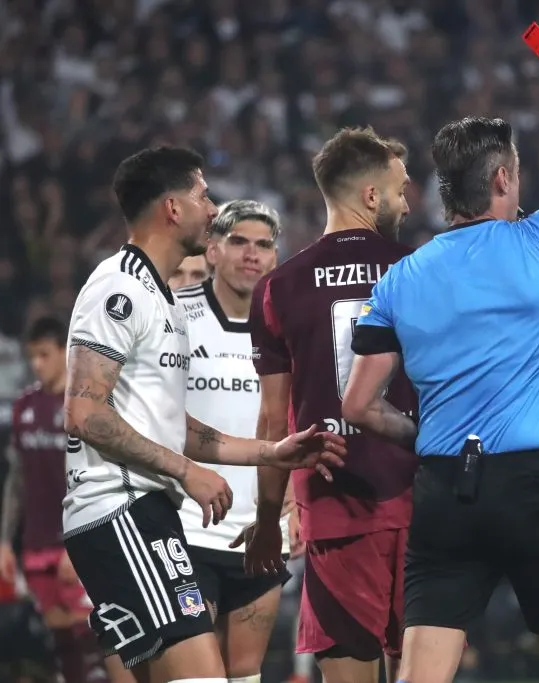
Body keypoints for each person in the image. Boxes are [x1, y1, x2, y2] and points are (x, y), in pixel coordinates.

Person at [342, 39, 539, 683]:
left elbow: (356, 406)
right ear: (504, 179)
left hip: (446, 489)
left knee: (422, 673)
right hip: (532, 486)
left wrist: (423, 434)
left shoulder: (400, 279)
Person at [61, 145, 345, 683]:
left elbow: (176, 427)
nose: (212, 207)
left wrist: (269, 452)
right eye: (201, 194)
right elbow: (83, 413)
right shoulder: (118, 286)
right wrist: (186, 472)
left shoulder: (161, 299)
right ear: (172, 208)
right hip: (121, 510)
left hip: (148, 512)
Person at [239, 127, 417, 683]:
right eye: (399, 190)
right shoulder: (422, 270)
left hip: (334, 506)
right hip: (424, 504)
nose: (408, 203)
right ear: (370, 196)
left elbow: (273, 421)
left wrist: (269, 517)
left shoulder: (279, 287)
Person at [175, 199, 291, 682]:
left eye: (264, 245)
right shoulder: (173, 315)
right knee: (197, 675)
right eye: (239, 242)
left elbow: (299, 418)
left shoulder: (289, 328)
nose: (252, 255)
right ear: (213, 249)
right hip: (183, 528)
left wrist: (296, 501)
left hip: (260, 531)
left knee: (245, 673)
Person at [0, 316, 120, 683]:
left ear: (64, 354)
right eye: (32, 356)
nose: (37, 364)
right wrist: (5, 541)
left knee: (94, 639)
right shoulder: (24, 408)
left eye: (44, 355)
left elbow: (99, 478)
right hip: (36, 542)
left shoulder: (84, 408)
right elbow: (16, 480)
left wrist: (78, 543)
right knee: (60, 641)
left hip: (76, 541)